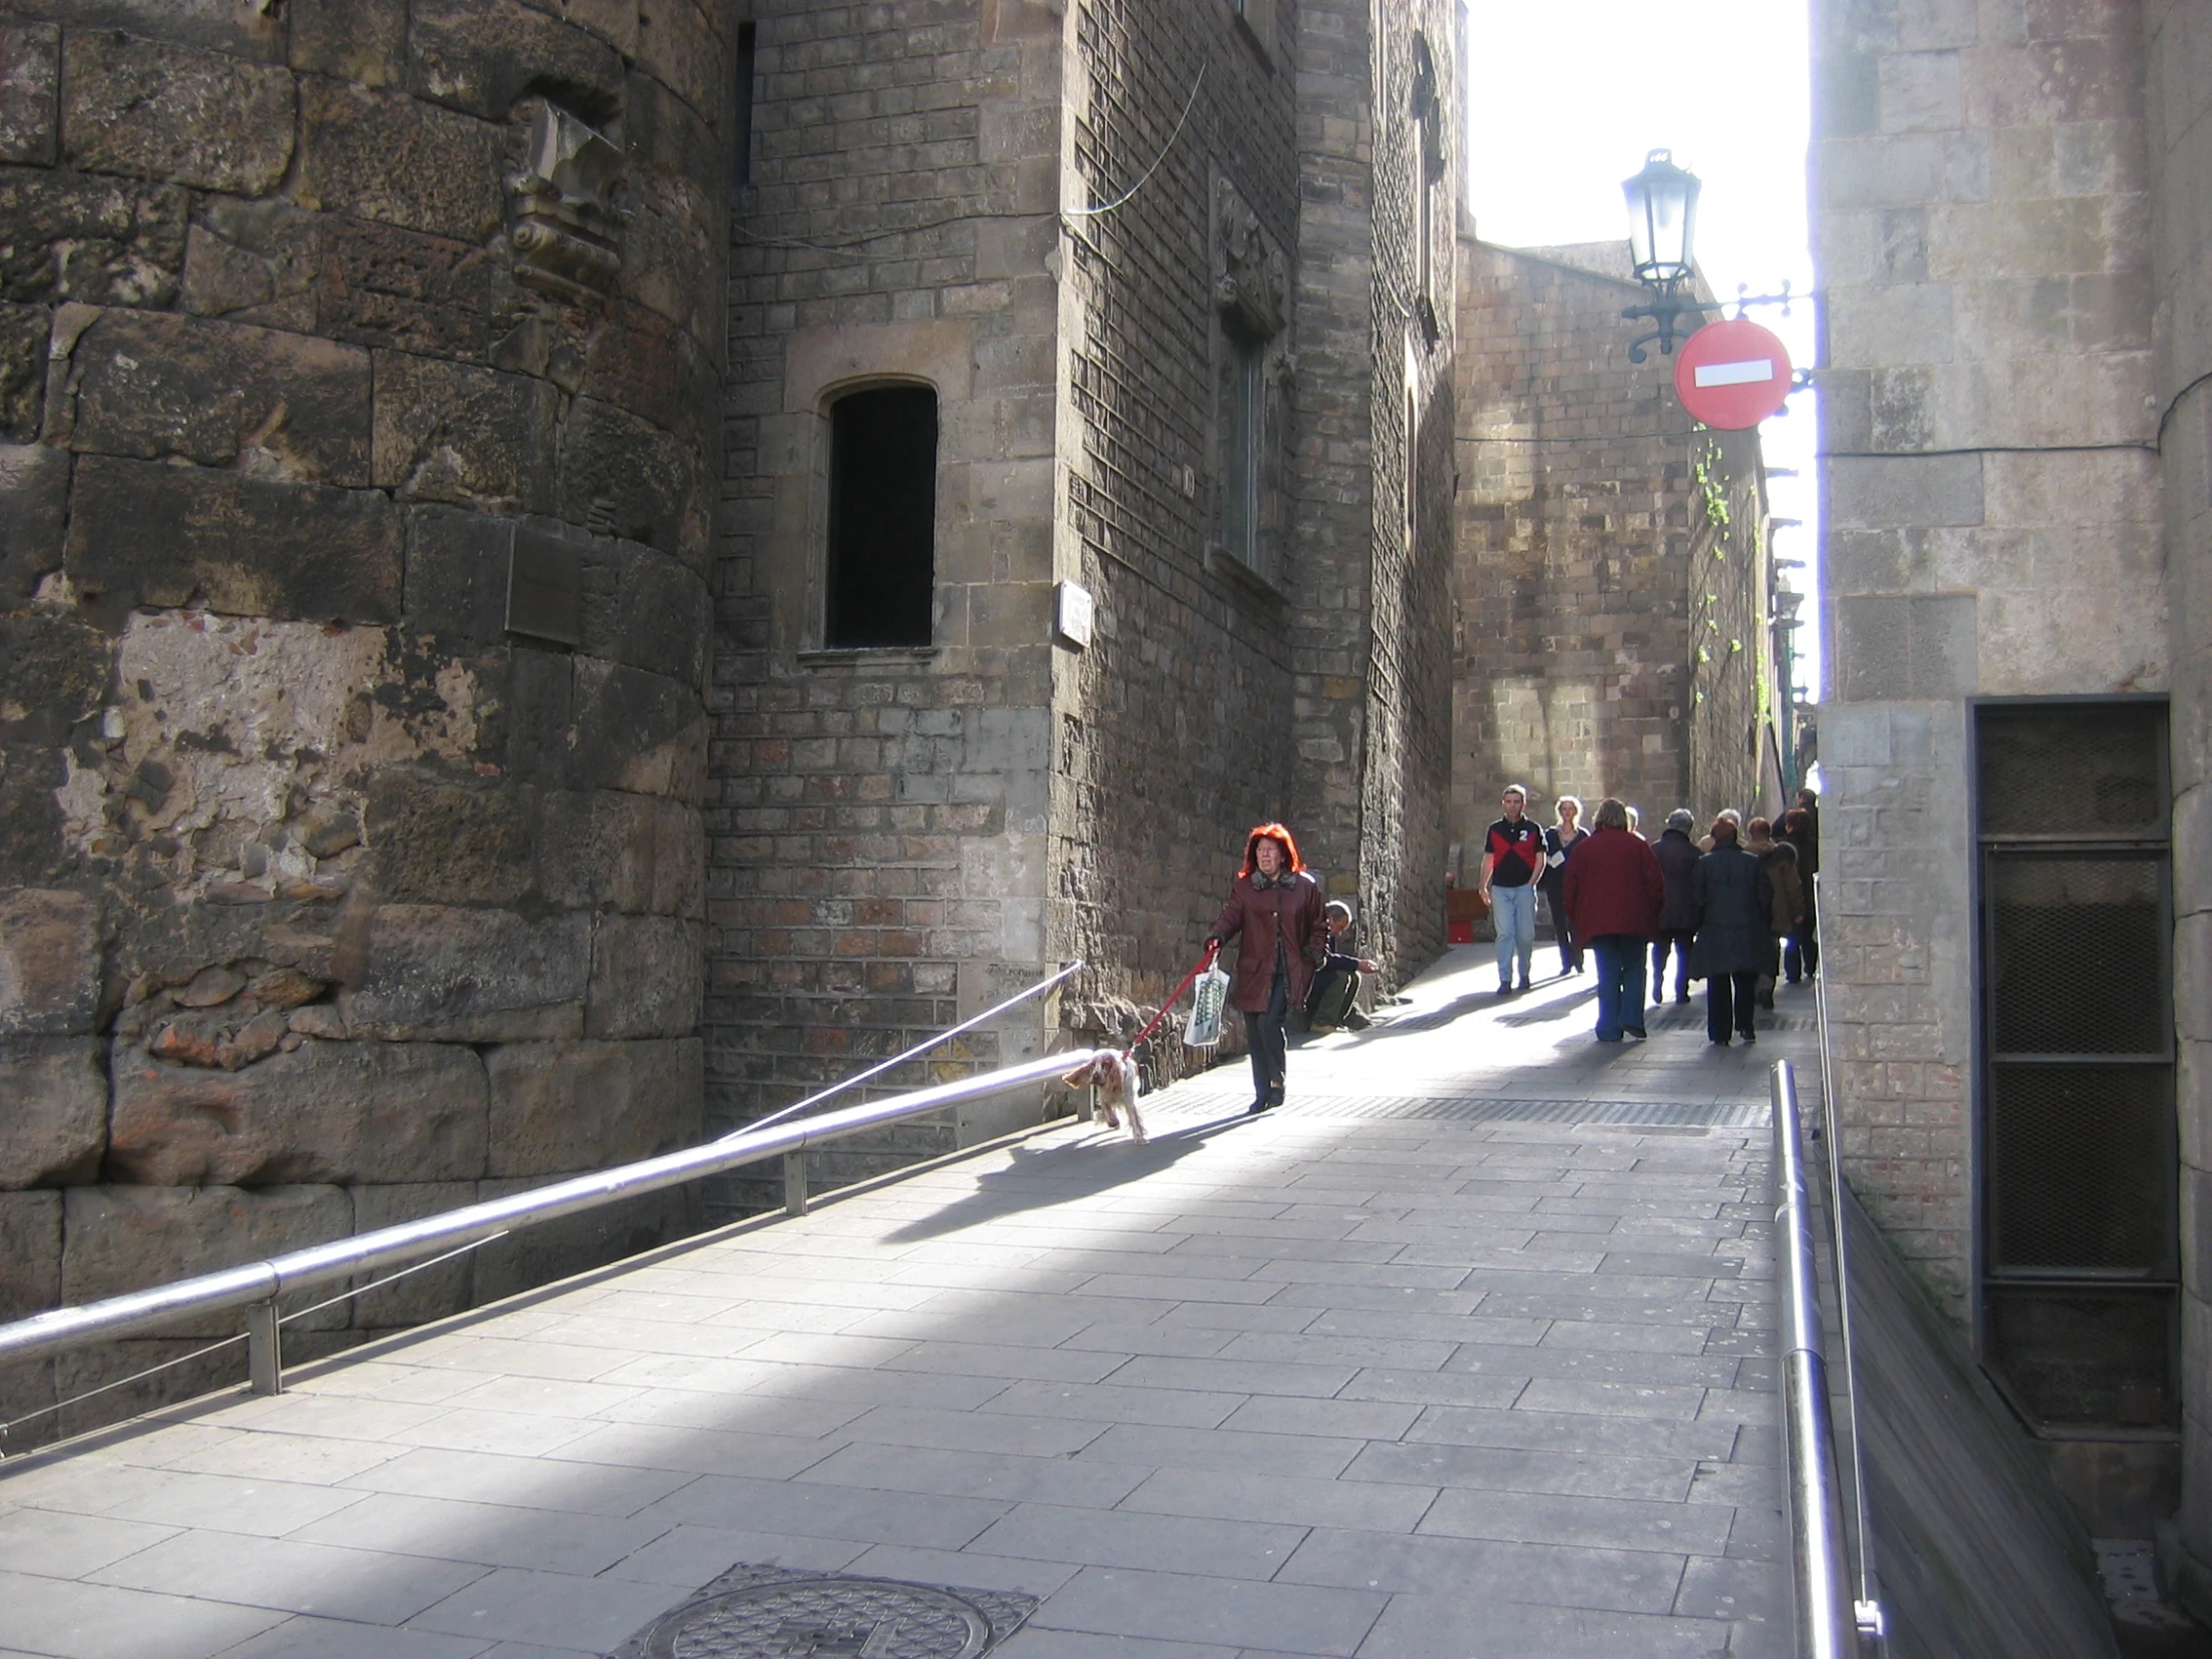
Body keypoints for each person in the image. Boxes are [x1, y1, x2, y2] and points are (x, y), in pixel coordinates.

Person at [1207, 823, 1328, 1113]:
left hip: (1289, 969)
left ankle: (1277, 1082)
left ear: (1283, 854)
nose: (1265, 856)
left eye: (1270, 851)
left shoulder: (1304, 889)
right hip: (1255, 969)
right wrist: (1217, 936)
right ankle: (1262, 1091)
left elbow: (1318, 925)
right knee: (1255, 1028)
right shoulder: (1245, 888)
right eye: (1260, 851)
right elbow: (1231, 916)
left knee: (1270, 1022)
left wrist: (1313, 955)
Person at [1561, 798, 1664, 1042]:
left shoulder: (1585, 848)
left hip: (1599, 923)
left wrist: (1576, 916)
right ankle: (1631, 1016)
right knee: (1634, 968)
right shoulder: (1638, 846)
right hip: (1634, 919)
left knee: (1607, 974)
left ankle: (1608, 1027)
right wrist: (1652, 912)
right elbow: (1655, 884)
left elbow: (1570, 886)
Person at [1689, 817, 1773, 1045]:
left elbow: (1698, 898)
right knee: (1745, 980)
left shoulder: (1705, 864)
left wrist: (1698, 924)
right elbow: (1764, 896)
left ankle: (1719, 1032)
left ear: (1715, 838)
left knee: (1717, 982)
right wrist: (1762, 921)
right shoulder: (1752, 862)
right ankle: (1745, 1025)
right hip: (1747, 927)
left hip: (1715, 929)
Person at [1477, 785, 1544, 994]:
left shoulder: (1533, 829)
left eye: (1516, 801)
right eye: (1509, 801)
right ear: (1503, 803)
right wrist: (1483, 886)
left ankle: (1524, 973)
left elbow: (1541, 858)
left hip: (1524, 887)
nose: (1512, 805)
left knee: (1525, 935)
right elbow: (1489, 858)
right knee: (1505, 933)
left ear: (1523, 804)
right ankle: (1505, 978)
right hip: (1501, 888)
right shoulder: (1495, 829)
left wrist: (1531, 883)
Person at [1744, 816, 1804, 1009]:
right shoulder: (1781, 856)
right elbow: (1793, 886)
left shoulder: (1743, 856)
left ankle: (1752, 988)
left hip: (1750, 911)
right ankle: (1766, 986)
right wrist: (1798, 909)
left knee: (1751, 949)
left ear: (1751, 833)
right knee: (1771, 949)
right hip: (1776, 910)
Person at [1651, 807, 1701, 1005]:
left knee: (1660, 949)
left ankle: (1657, 981)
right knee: (1684, 952)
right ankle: (1682, 990)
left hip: (1660, 909)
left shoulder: (1654, 850)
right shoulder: (1694, 853)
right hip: (1685, 911)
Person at [1309, 900, 1380, 1031]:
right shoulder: (1314, 928)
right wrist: (1356, 963)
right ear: (1330, 918)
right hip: (1304, 977)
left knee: (1354, 977)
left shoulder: (1328, 933)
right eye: (1340, 927)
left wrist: (1355, 965)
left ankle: (1336, 1021)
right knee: (1340, 977)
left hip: (1316, 973)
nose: (1339, 933)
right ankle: (1322, 1022)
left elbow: (1332, 958)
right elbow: (1323, 960)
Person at [1538, 796, 1587, 976]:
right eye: (1564, 809)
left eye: (1570, 809)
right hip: (1555, 885)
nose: (1567, 812)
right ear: (1560, 811)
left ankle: (1578, 959)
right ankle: (1566, 962)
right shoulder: (1550, 834)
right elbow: (1542, 855)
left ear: (1576, 812)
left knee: (1575, 923)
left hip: (1576, 886)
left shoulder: (1582, 836)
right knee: (1559, 924)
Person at [1781, 803, 1820, 982]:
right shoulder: (1814, 846)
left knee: (1792, 938)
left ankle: (1792, 973)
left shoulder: (1783, 847)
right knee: (1808, 936)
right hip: (1812, 897)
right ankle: (1810, 967)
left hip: (1790, 899)